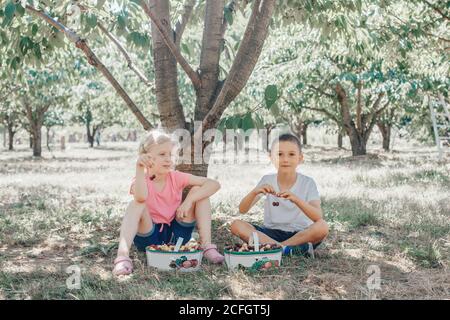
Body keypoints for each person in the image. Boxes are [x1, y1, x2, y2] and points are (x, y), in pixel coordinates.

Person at [113, 130, 224, 276]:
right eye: (162, 154)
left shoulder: (175, 177)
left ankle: (207, 246)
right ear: (146, 156)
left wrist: (189, 201)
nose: (168, 159)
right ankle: (122, 257)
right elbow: (140, 198)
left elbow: (214, 184)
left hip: (176, 236)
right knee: (136, 204)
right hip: (149, 236)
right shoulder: (141, 179)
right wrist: (139, 168)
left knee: (199, 192)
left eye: (170, 155)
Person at [231, 133, 329, 257]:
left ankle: (274, 249)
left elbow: (317, 216)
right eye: (279, 154)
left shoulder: (308, 182)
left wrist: (296, 199)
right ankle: (287, 250)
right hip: (270, 233)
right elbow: (242, 209)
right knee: (236, 225)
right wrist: (254, 192)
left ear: (300, 158)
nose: (285, 159)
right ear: (271, 158)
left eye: (291, 154)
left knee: (322, 227)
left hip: (300, 234)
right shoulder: (267, 180)